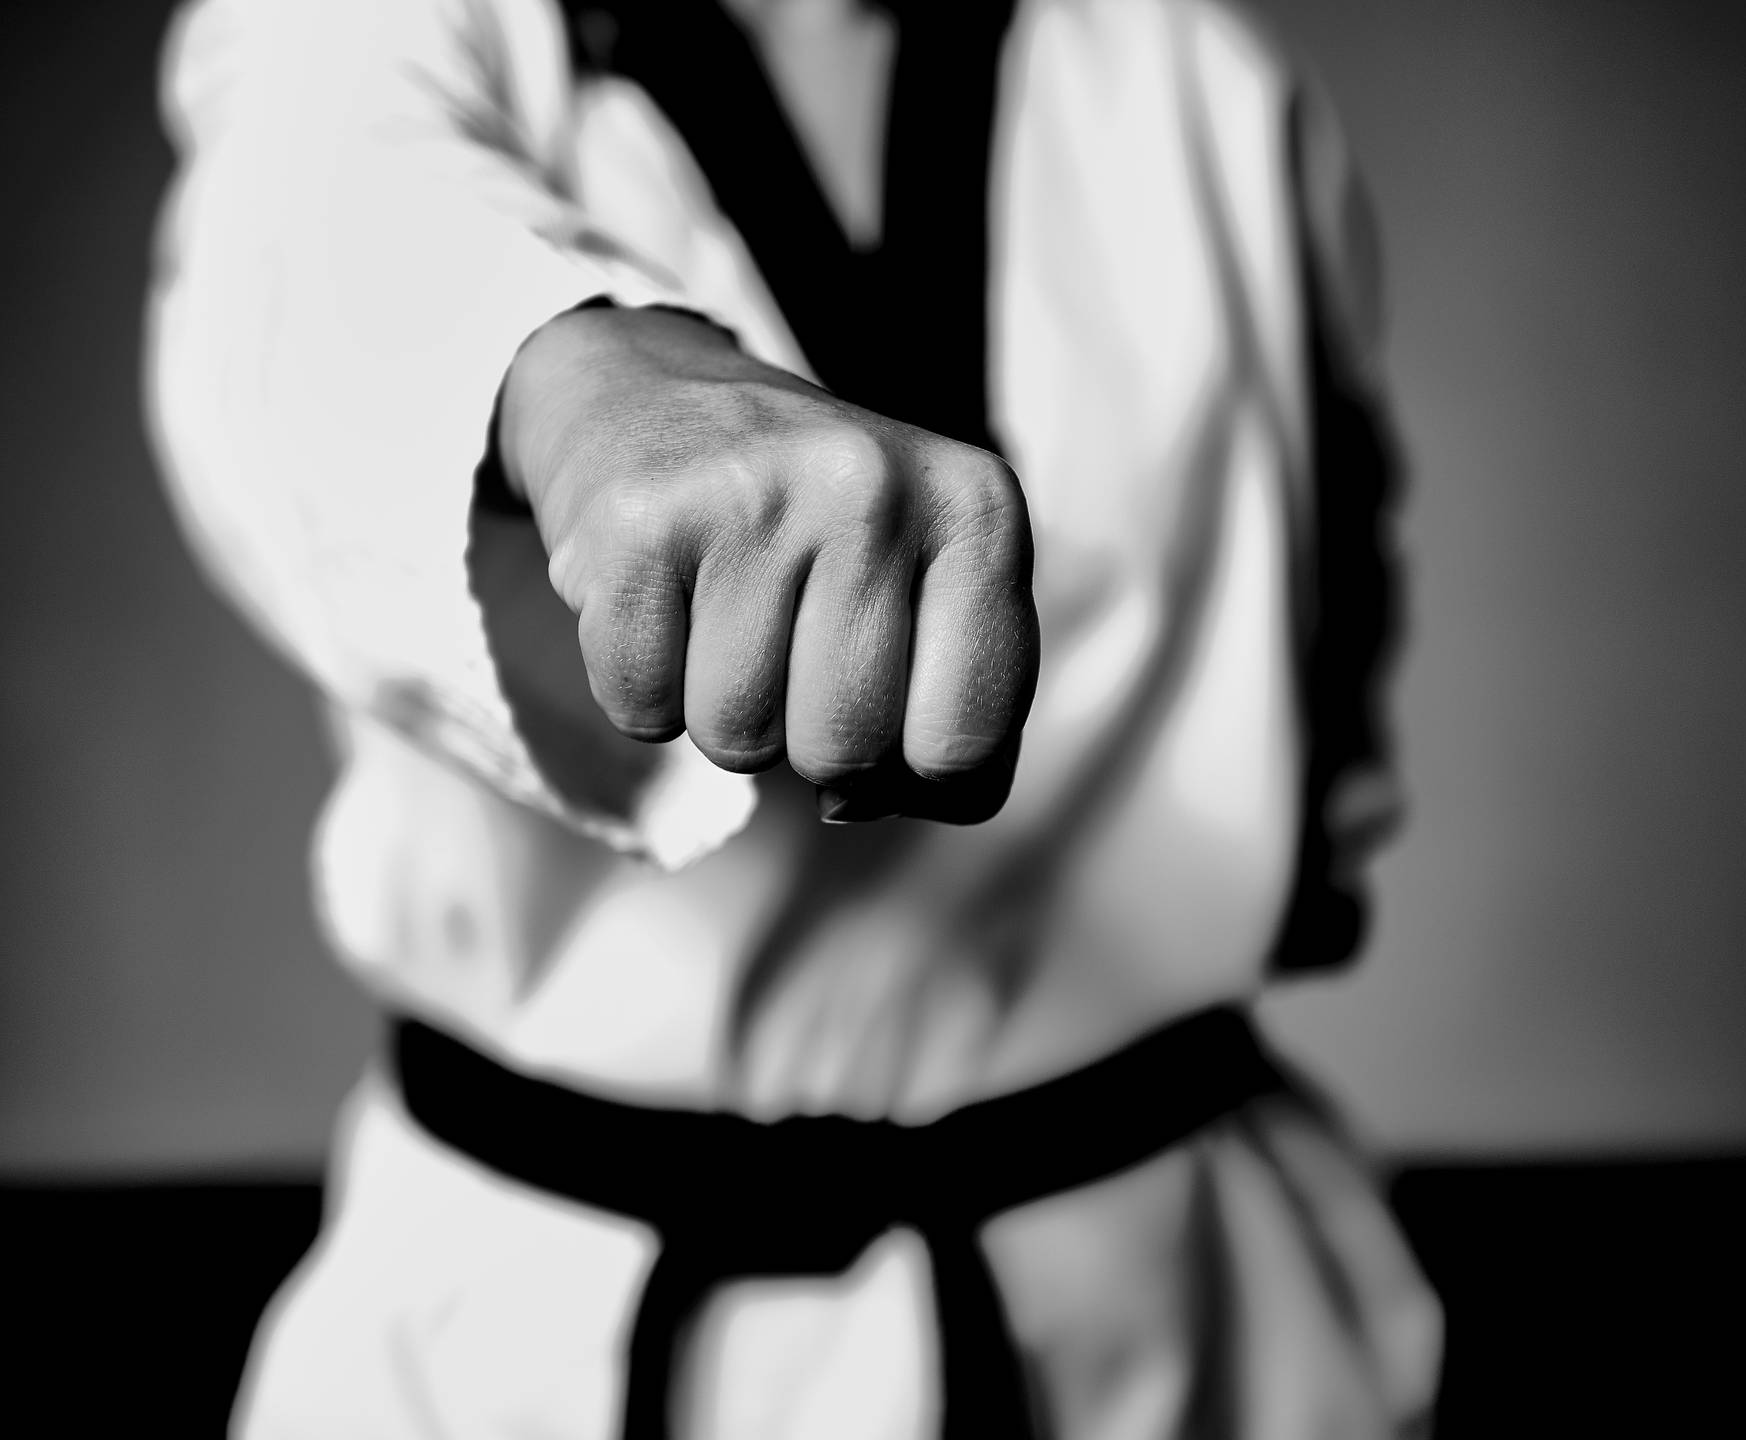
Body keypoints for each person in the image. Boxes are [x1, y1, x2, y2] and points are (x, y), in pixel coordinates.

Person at [146, 0, 1442, 1435]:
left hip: (1178, 1305)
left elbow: (1336, 536)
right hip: (539, 1339)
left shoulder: (1195, 65)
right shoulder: (379, 27)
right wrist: (583, 379)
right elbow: (308, 254)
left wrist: (1287, 806)